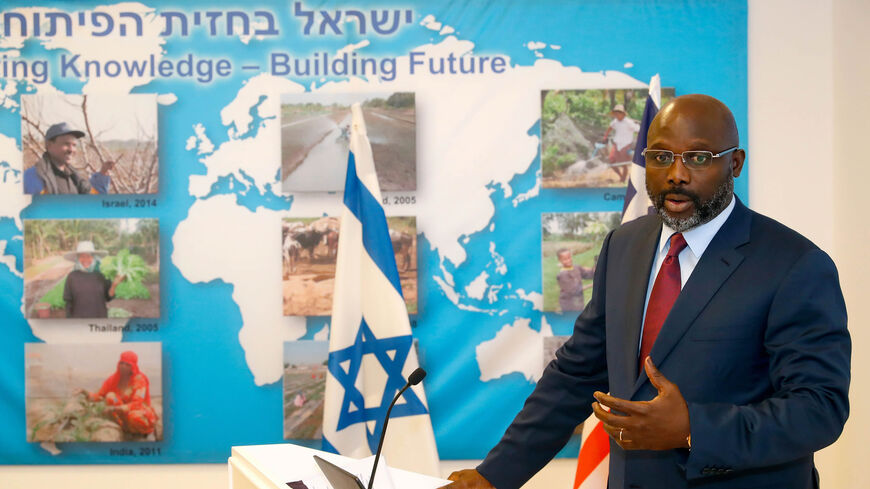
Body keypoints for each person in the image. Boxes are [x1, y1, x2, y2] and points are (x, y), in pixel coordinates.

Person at [444, 94, 850, 489]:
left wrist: (694, 428)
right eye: (660, 157)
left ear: (735, 163)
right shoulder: (624, 246)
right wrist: (495, 476)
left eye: (698, 157)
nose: (676, 173)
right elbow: (576, 375)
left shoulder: (793, 264)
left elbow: (819, 408)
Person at [82, 350, 157, 437]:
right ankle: (123, 427)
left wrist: (115, 408)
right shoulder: (114, 379)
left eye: (127, 365)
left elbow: (137, 403)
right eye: (122, 363)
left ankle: (139, 434)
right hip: (123, 414)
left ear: (133, 366)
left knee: (134, 416)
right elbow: (99, 396)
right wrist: (86, 393)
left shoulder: (140, 379)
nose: (123, 366)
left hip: (139, 411)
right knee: (110, 396)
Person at [23, 122, 94, 195]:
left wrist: (102, 176)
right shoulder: (33, 177)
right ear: (49, 145)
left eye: (74, 145)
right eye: (66, 144)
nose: (71, 150)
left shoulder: (75, 178)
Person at [62, 241, 125, 318]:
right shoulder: (72, 277)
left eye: (89, 256)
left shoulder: (102, 275)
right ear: (78, 258)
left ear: (94, 258)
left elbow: (109, 297)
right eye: (82, 256)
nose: (86, 259)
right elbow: (68, 303)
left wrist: (114, 285)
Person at [602, 104, 640, 183]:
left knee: (623, 163)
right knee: (611, 161)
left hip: (625, 145)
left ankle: (623, 179)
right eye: (615, 113)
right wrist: (605, 136)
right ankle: (620, 176)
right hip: (616, 144)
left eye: (618, 113)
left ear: (622, 114)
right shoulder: (615, 121)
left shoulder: (629, 123)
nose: (616, 115)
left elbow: (639, 130)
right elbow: (610, 128)